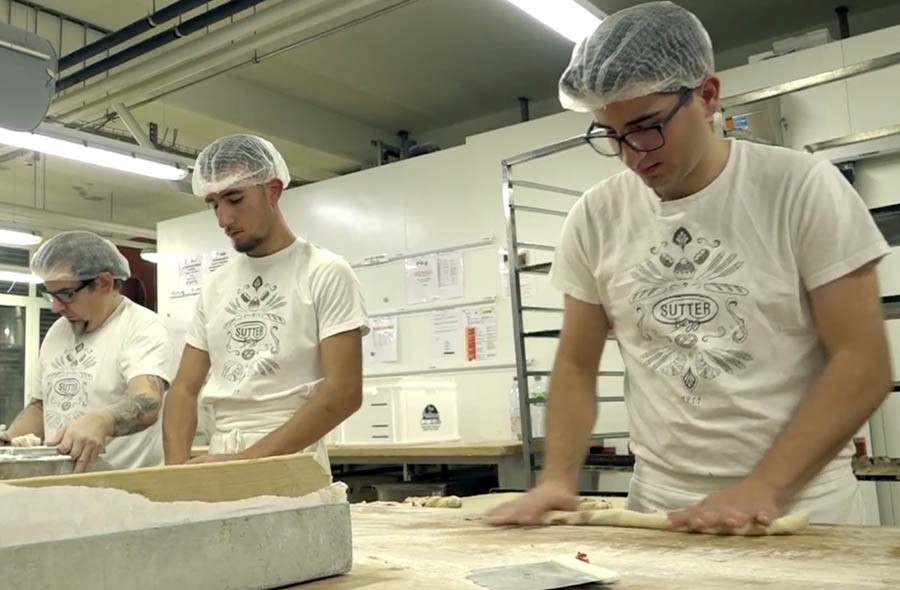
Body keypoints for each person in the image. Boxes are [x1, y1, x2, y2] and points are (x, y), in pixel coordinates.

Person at [488, 1, 892, 531]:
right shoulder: (597, 215)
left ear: (707, 96)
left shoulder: (799, 187)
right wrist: (559, 478)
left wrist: (764, 486)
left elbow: (862, 361)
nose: (632, 154)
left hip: (799, 508)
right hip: (661, 507)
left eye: (647, 127)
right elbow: (576, 364)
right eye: (609, 135)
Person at [162, 133, 369, 473]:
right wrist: (175, 472)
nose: (223, 220)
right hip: (221, 451)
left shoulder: (324, 272)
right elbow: (184, 388)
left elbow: (343, 391)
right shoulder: (215, 285)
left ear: (272, 191)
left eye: (234, 199)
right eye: (214, 204)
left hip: (292, 456)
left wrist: (243, 463)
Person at [0, 231, 175, 472]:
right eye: (51, 294)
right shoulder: (58, 332)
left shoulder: (142, 327)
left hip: (124, 489)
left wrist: (103, 420)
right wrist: (8, 442)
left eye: (66, 294)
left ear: (104, 282)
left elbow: (147, 400)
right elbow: (41, 406)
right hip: (63, 485)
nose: (56, 306)